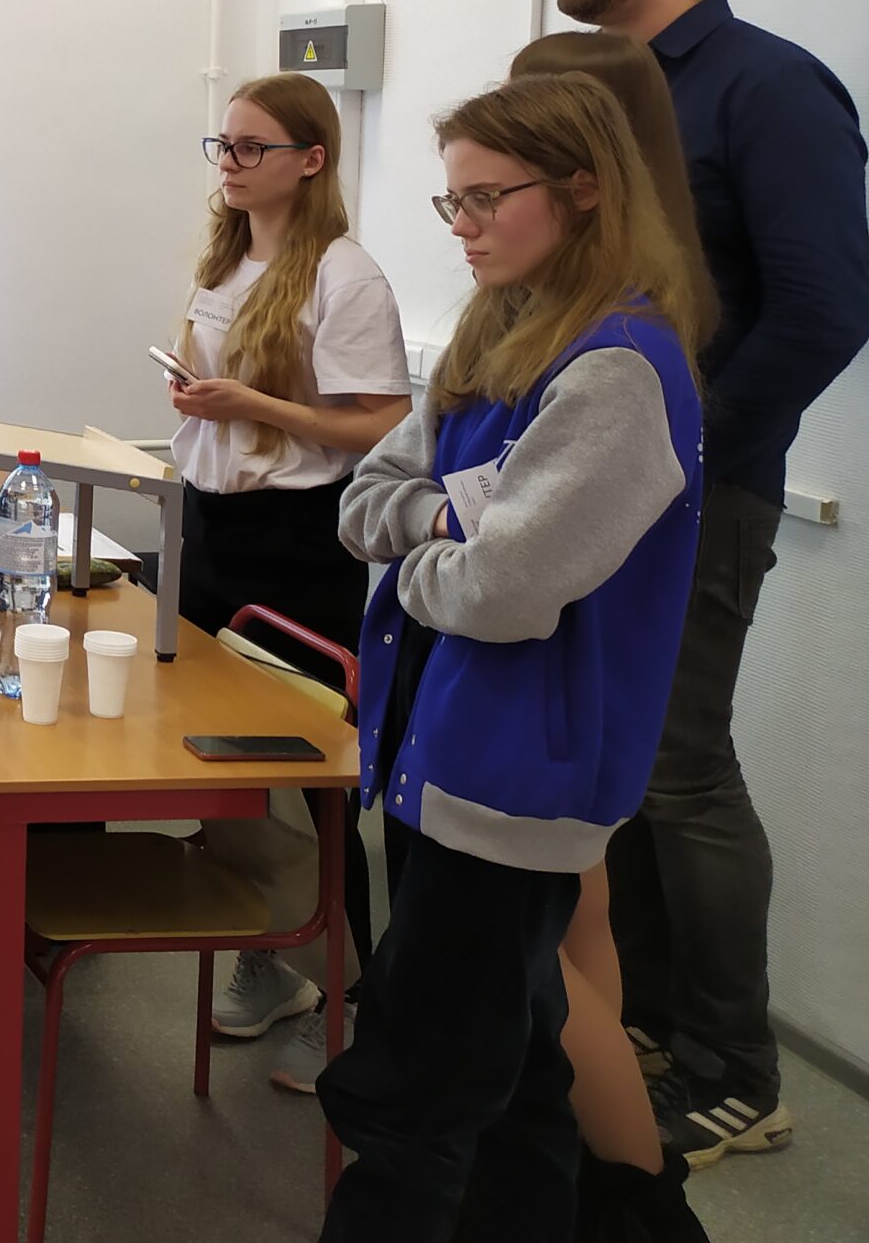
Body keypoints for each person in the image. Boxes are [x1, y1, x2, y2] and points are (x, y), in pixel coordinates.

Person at [531, 0, 869, 1164]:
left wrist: (683, 451)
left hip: (698, 491)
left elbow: (826, 309)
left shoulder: (766, 89)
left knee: (681, 770)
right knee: (618, 764)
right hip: (584, 481)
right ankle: (648, 1027)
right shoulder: (597, 91)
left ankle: (739, 1071)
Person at [320, 75, 706, 1241]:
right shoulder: (496, 329)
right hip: (437, 753)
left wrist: (420, 565)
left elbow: (503, 594)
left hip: (511, 780)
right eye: (453, 202)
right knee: (516, 1079)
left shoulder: (616, 370)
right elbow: (364, 501)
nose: (464, 226)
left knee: (416, 1092)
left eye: (488, 197)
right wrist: (449, 521)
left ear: (584, 189)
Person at [511, 37, 717, 1240]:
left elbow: (511, 542)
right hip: (560, 658)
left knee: (542, 936)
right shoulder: (609, 295)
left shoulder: (617, 337)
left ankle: (638, 1200)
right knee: (577, 922)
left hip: (554, 660)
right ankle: (618, 1180)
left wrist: (444, 534)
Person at [167, 73, 411, 1091]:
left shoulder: (345, 277)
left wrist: (254, 406)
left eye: (250, 148)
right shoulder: (226, 256)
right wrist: (203, 402)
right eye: (221, 145)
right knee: (219, 767)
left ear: (310, 160)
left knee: (308, 778)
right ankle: (267, 963)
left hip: (296, 540)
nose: (228, 164)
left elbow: (380, 422)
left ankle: (349, 1004)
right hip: (211, 524)